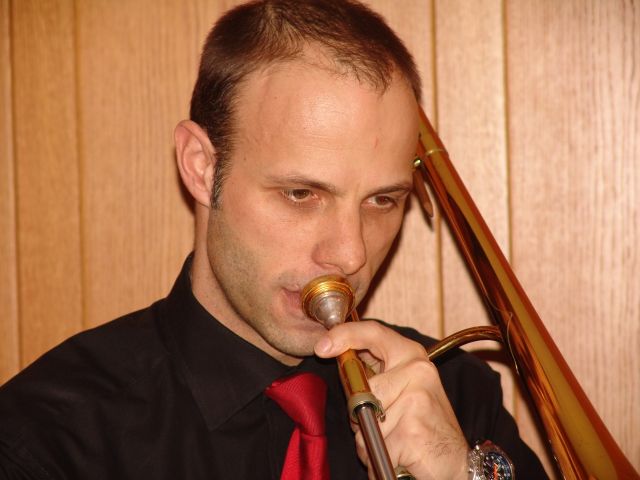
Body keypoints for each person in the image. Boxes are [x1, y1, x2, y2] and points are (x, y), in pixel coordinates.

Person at [0, 0, 548, 478]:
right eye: (300, 194)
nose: (350, 254)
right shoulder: (48, 436)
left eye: (382, 200)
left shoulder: (454, 396)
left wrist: (460, 473)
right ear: (201, 167)